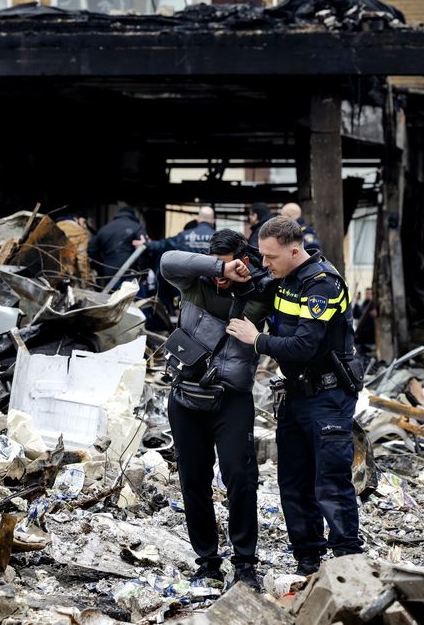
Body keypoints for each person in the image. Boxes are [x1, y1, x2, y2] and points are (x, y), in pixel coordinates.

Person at [225, 216, 363, 576]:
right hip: (295, 395)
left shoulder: (323, 285)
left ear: (294, 250)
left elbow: (303, 345)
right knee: (294, 481)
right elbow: (255, 287)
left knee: (330, 481)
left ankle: (349, 564)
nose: (265, 264)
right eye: (263, 257)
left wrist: (256, 340)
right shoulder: (282, 279)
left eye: (270, 257)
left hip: (328, 397)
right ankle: (307, 561)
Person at [159, 229, 266, 592]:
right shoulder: (193, 281)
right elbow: (166, 260)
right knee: (193, 481)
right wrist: (217, 266)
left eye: (230, 263)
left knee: (240, 477)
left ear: (245, 259)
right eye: (216, 264)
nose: (222, 274)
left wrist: (247, 277)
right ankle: (207, 562)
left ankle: (245, 564)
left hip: (232, 399)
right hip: (186, 396)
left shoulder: (259, 291)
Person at [88, 205, 145, 287]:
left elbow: (91, 250)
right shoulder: (137, 227)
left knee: (110, 298)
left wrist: (101, 268)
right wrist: (142, 272)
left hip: (109, 272)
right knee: (132, 297)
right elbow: (144, 249)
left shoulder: (104, 229)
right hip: (130, 273)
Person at [55, 212, 92, 283]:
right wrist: (87, 281)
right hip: (65, 273)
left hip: (44, 268)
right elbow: (82, 259)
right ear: (76, 218)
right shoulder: (82, 233)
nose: (85, 226)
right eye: (84, 222)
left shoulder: (55, 225)